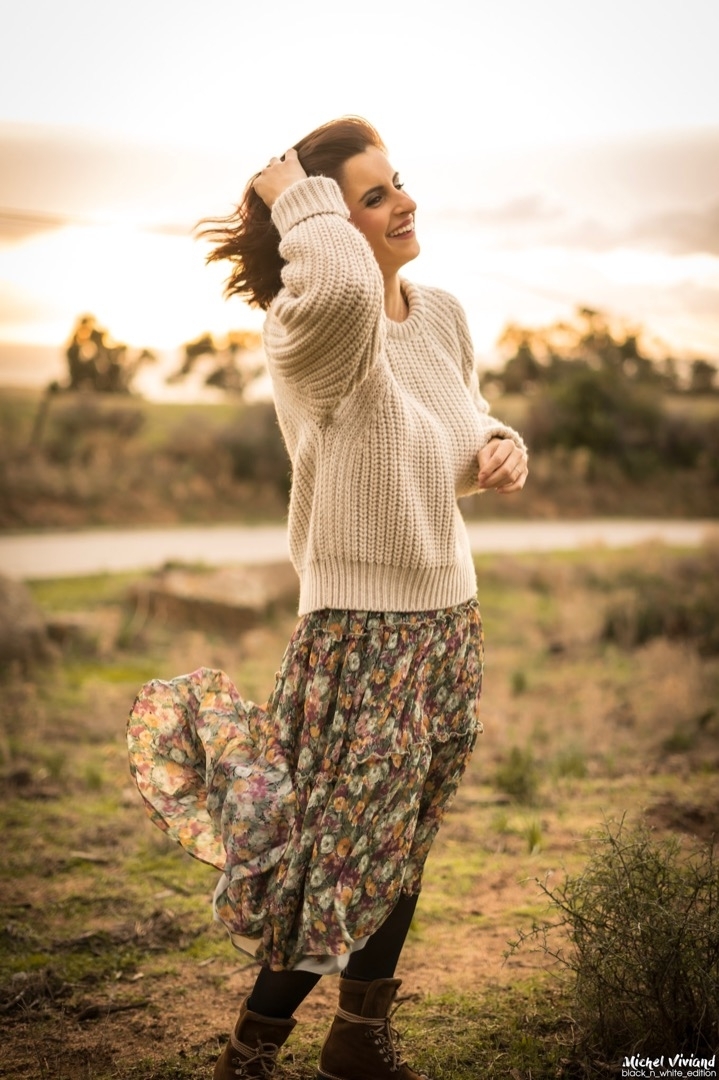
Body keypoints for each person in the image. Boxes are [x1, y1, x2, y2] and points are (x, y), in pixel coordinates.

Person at [127, 116, 528, 1080]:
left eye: (399, 183)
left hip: (448, 619)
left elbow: (452, 433)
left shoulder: (440, 315)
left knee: (404, 840)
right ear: (323, 224)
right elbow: (344, 287)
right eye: (374, 197)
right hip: (358, 633)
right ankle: (247, 1056)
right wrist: (292, 197)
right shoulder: (308, 329)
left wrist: (500, 446)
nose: (405, 204)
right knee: (340, 854)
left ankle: (358, 1039)